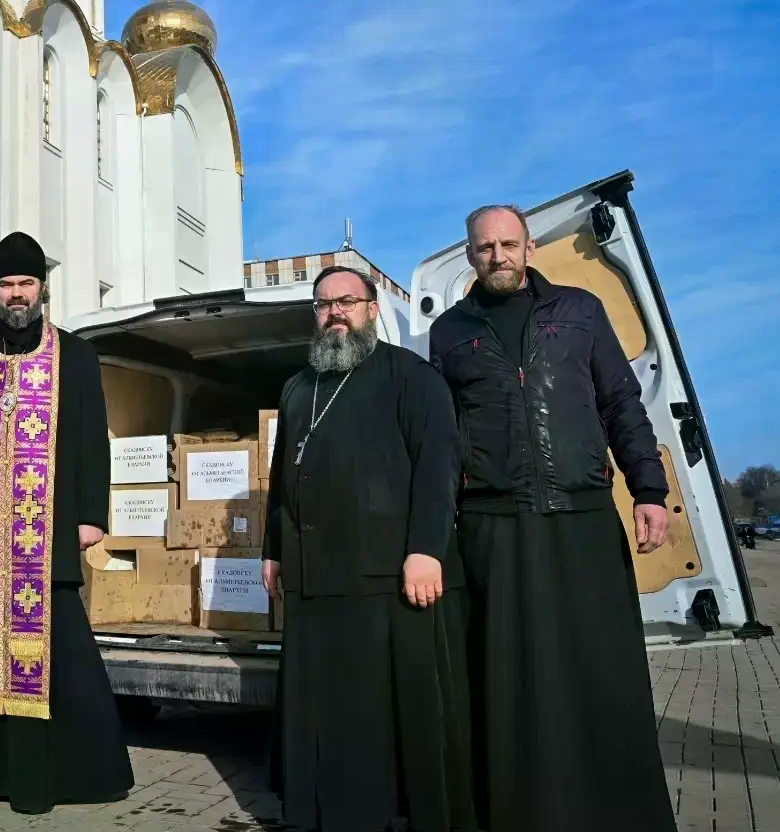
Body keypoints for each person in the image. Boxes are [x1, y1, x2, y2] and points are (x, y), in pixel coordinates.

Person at [430, 204, 675, 832]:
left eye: (509, 244)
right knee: (509, 683)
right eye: (486, 247)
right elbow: (441, 439)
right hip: (493, 526)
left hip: (582, 519)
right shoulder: (451, 333)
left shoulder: (580, 311)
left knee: (600, 675)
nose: (498, 256)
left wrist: (649, 489)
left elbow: (621, 401)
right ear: (469, 254)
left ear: (530, 247)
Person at [0, 231, 134, 814]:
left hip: (49, 536)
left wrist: (92, 515)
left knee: (61, 656)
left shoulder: (76, 355)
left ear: (43, 288)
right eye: (7, 284)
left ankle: (58, 778)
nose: (16, 295)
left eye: (26, 283)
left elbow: (94, 439)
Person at [263, 266, 476, 832]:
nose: (335, 312)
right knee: (324, 711)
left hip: (387, 575)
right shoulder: (298, 387)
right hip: (315, 579)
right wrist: (274, 551)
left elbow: (439, 468)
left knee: (384, 714)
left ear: (373, 310)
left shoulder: (412, 377)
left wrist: (426, 549)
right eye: (324, 304)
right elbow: (283, 476)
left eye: (347, 302)